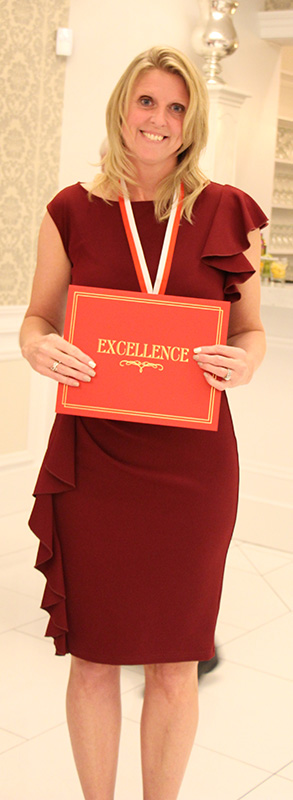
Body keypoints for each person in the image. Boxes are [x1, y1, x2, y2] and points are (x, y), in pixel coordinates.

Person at [20, 45, 267, 800]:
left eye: (175, 106)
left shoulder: (228, 210)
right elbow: (35, 320)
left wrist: (244, 362)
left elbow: (250, 333)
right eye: (146, 102)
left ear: (191, 120)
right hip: (95, 459)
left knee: (173, 657)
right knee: (94, 656)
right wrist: (41, 349)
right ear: (122, 107)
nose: (159, 120)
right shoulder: (70, 209)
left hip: (190, 467)